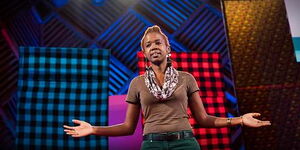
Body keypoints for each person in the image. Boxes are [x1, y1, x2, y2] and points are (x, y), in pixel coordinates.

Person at [64, 25, 271, 150]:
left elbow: (204, 120)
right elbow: (128, 127)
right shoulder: (137, 83)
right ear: (144, 52)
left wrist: (239, 120)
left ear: (167, 48)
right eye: (148, 45)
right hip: (152, 144)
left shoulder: (186, 78)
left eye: (158, 43)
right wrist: (93, 129)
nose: (153, 47)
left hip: (186, 143)